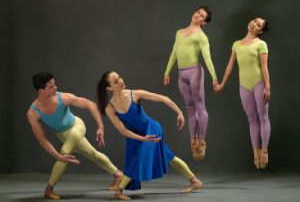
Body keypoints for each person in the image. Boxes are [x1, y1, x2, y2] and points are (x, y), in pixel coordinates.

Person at [97, 71, 203, 201]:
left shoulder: (135, 94)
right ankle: (194, 181)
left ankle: (119, 190)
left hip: (151, 129)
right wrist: (141, 138)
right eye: (115, 81)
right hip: (135, 136)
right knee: (169, 157)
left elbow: (162, 98)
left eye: (119, 77)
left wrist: (179, 112)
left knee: (140, 158)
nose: (120, 80)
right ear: (109, 88)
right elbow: (122, 131)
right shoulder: (110, 108)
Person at [27, 72, 123, 200]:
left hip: (76, 127)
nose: (56, 88)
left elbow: (91, 105)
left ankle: (48, 189)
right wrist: (57, 156)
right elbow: (42, 139)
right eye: (51, 87)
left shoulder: (63, 97)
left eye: (54, 84)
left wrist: (101, 127)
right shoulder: (33, 113)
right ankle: (118, 174)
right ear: (41, 91)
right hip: (63, 135)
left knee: (65, 152)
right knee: (92, 154)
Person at [163, 5, 218, 161]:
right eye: (198, 12)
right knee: (190, 108)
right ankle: (193, 141)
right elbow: (174, 52)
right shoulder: (179, 32)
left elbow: (207, 57)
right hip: (182, 74)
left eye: (202, 16)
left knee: (200, 106)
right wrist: (167, 72)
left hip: (195, 72)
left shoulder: (201, 36)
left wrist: (214, 77)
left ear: (204, 22)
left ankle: (201, 140)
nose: (198, 16)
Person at [215, 17, 271, 169]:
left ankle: (264, 151)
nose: (254, 24)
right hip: (244, 86)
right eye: (254, 21)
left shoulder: (261, 44)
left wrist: (267, 86)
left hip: (259, 83)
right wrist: (222, 84)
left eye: (258, 25)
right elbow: (230, 66)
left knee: (263, 116)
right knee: (252, 119)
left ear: (260, 31)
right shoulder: (237, 44)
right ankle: (256, 151)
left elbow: (264, 67)